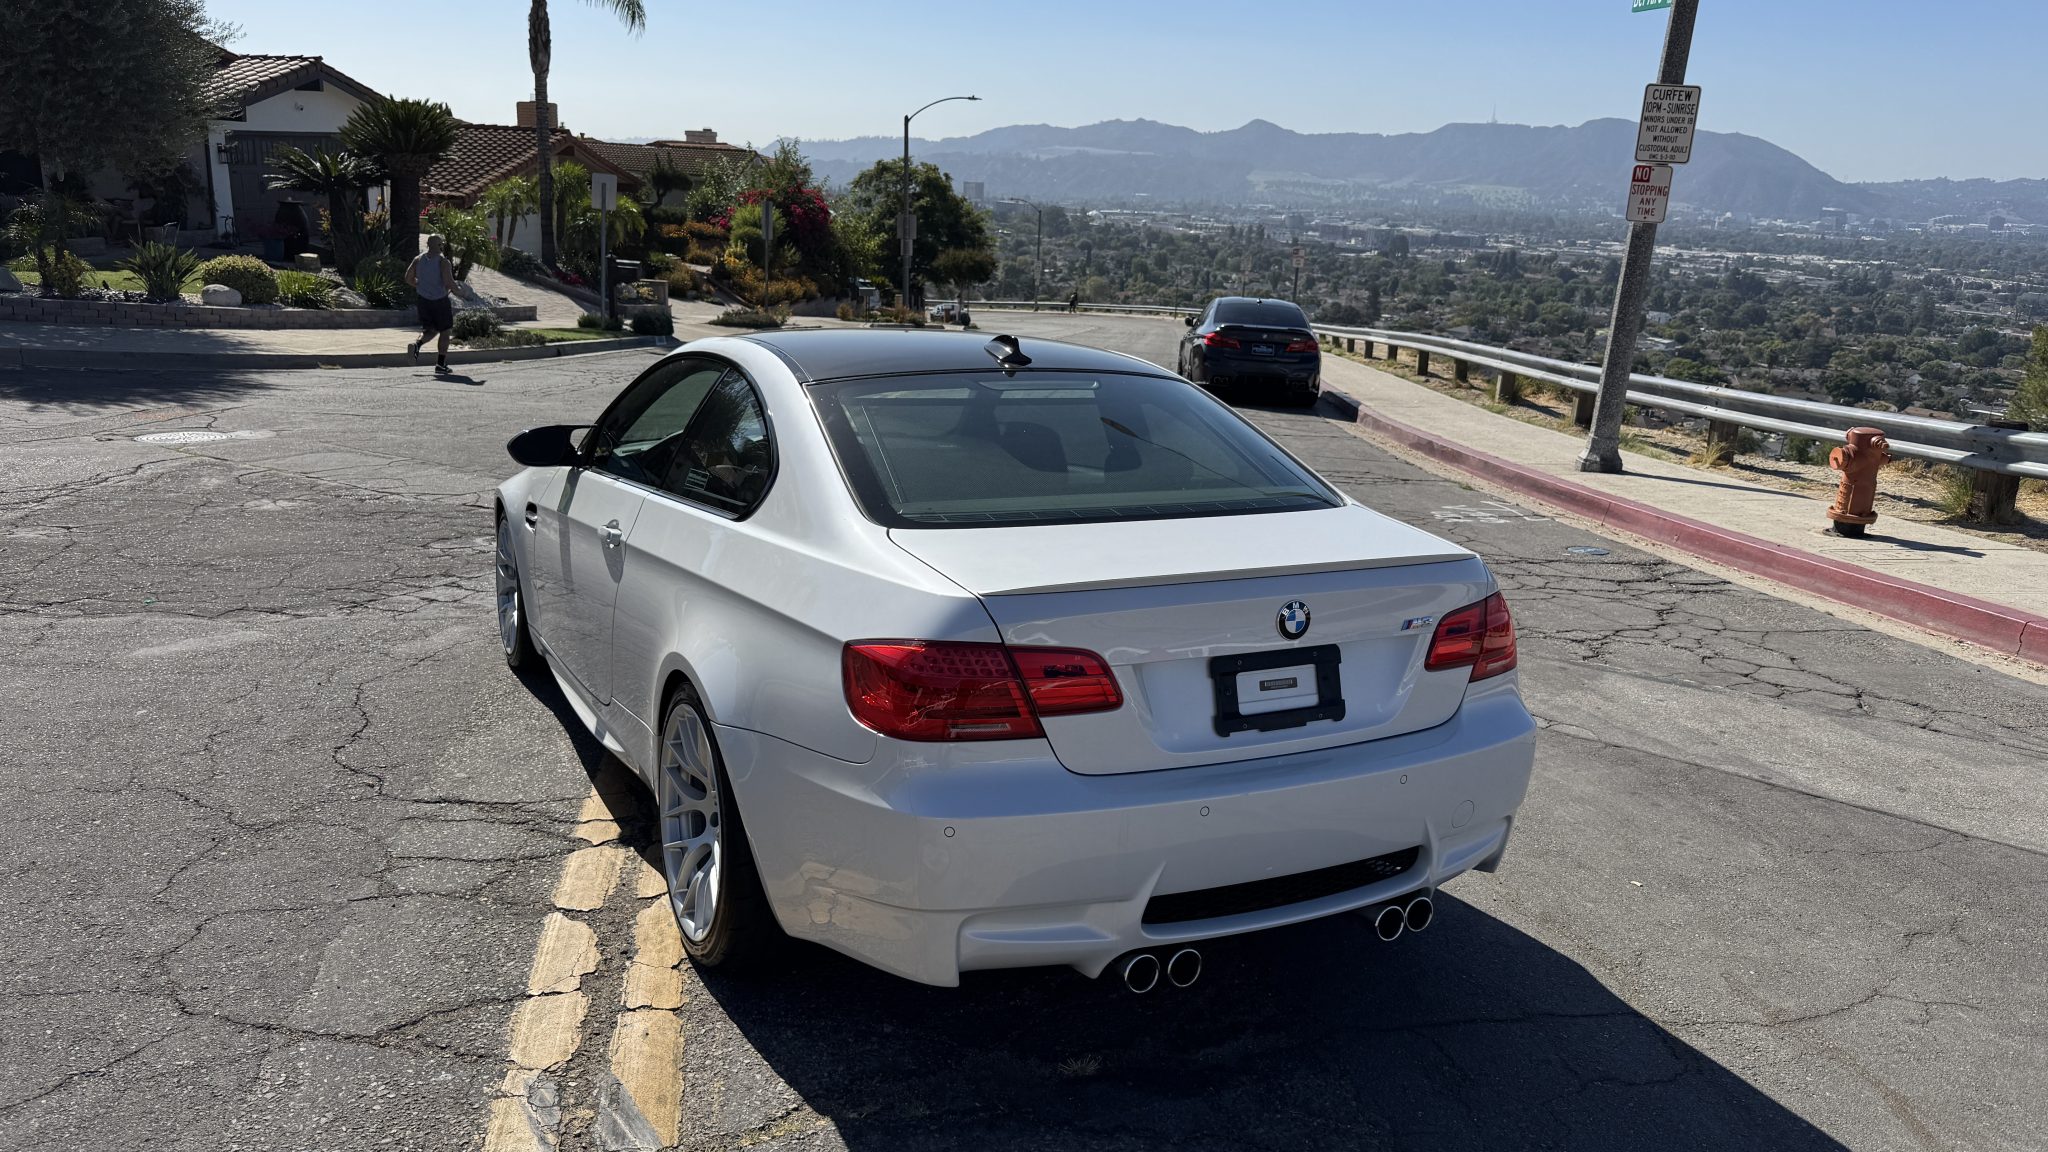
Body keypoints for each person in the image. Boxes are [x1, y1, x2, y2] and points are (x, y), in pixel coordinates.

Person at [405, 235, 456, 373]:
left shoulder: (418, 259)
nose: (442, 246)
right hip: (440, 301)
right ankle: (440, 364)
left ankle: (417, 345)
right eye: (441, 244)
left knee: (431, 330)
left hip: (423, 301)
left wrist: (420, 285)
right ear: (439, 245)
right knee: (445, 331)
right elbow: (449, 282)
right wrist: (462, 293)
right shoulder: (443, 262)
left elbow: (408, 278)